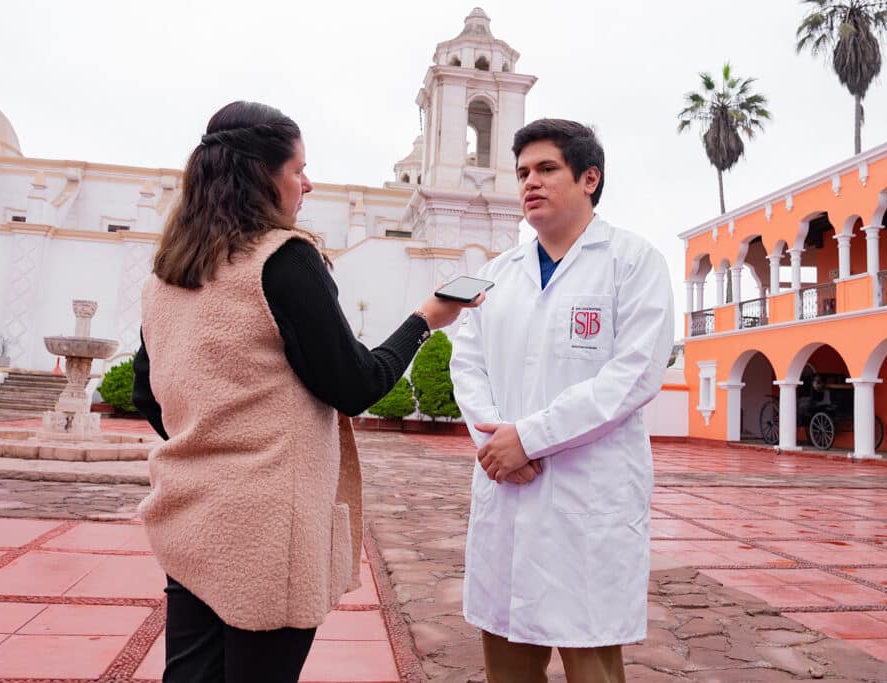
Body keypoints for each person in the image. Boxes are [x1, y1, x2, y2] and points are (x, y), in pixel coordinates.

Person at [131, 100, 480, 683]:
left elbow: (147, 394)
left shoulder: (168, 273)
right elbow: (355, 384)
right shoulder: (285, 259)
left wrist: (210, 441)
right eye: (297, 170)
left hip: (188, 510)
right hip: (269, 528)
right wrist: (424, 319)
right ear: (261, 176)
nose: (307, 183)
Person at [450, 118, 675, 683]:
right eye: (523, 171)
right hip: (506, 488)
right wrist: (496, 443)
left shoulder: (633, 262)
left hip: (588, 498)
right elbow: (466, 364)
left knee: (591, 658)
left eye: (547, 169)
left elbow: (634, 375)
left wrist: (528, 438)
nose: (530, 182)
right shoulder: (496, 276)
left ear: (589, 178)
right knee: (507, 659)